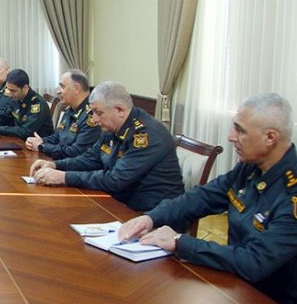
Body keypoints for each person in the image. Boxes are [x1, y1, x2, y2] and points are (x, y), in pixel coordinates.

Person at [118, 93, 297, 304]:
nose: (231, 136)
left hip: (277, 298)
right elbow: (202, 196)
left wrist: (179, 242)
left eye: (240, 130)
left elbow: (254, 262)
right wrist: (151, 218)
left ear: (270, 138)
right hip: (237, 282)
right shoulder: (251, 167)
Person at [30, 81, 183, 211]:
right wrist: (56, 165)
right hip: (120, 201)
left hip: (150, 213)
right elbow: (89, 159)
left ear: (120, 110)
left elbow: (115, 180)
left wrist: (64, 177)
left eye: (98, 112)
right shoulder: (111, 127)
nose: (94, 119)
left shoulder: (146, 135)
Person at [24, 69, 100, 159]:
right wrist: (39, 141)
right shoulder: (70, 109)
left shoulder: (92, 116)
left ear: (77, 89)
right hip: (62, 161)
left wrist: (43, 146)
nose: (58, 91)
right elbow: (57, 137)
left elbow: (76, 152)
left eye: (62, 87)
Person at [0, 68, 54, 139]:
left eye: (13, 91)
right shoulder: (16, 98)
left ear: (25, 88)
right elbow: (6, 116)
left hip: (37, 143)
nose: (9, 94)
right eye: (8, 89)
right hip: (20, 140)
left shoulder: (37, 104)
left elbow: (26, 132)